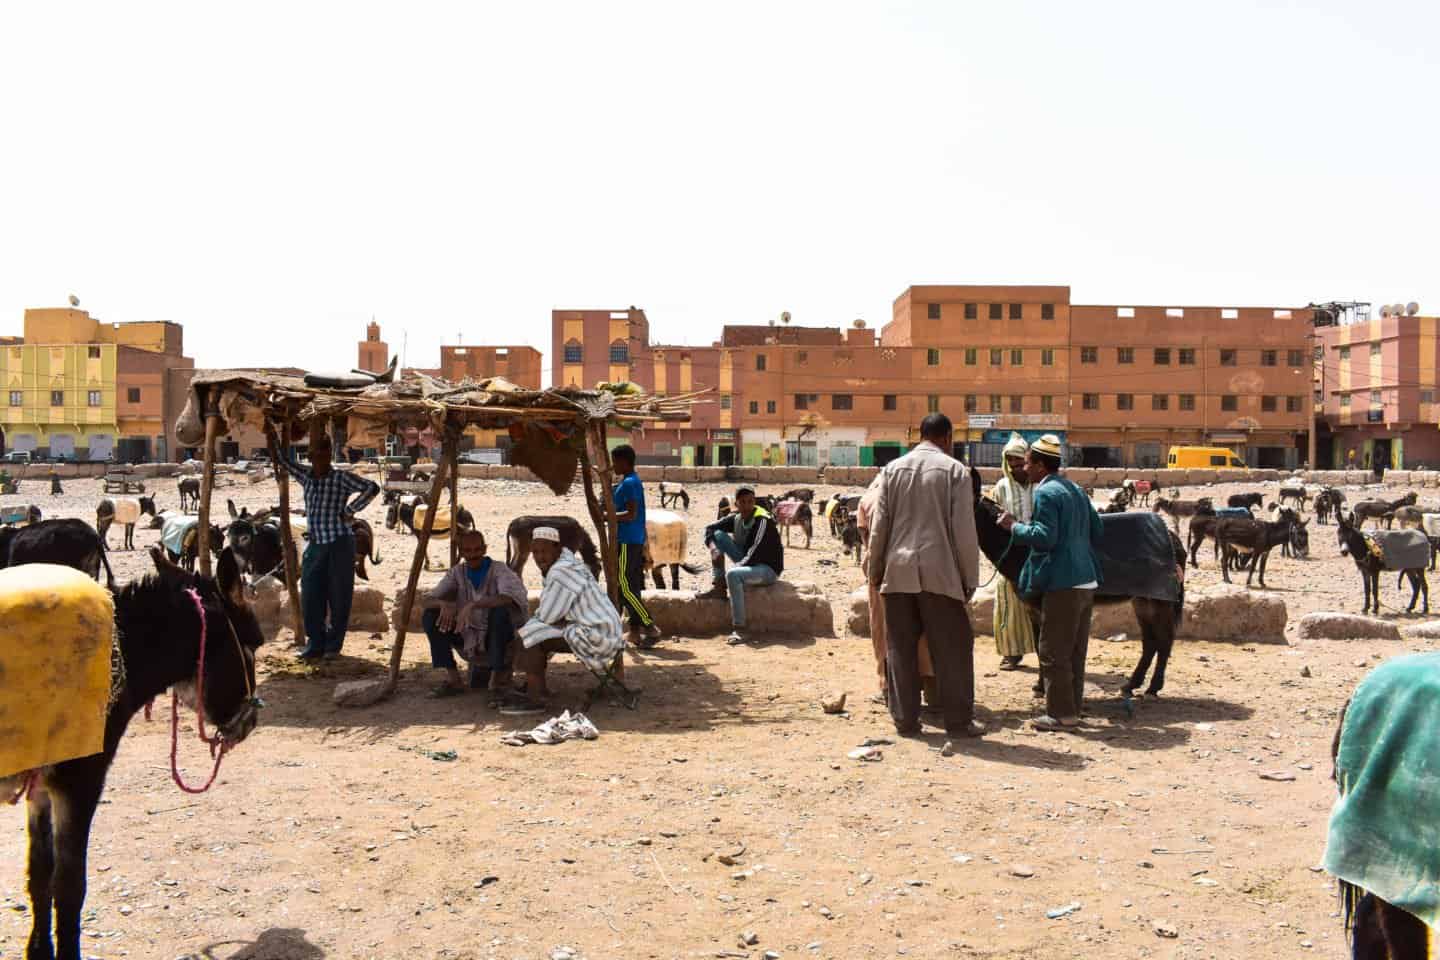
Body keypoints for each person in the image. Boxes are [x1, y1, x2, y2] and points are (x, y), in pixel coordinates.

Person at [867, 412, 984, 741]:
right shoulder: (955, 471)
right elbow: (963, 531)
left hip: (898, 571)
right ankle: (958, 723)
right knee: (953, 649)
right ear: (947, 438)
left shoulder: (892, 470)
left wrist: (876, 571)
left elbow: (880, 529)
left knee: (900, 648)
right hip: (940, 573)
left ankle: (905, 721)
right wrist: (969, 579)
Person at [998, 434, 1103, 731]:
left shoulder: (1045, 493)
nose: (1024, 467)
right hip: (1086, 580)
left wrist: (1014, 527)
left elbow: (1045, 539)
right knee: (1075, 652)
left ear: (1041, 466)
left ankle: (1061, 715)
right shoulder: (1076, 490)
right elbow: (1098, 529)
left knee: (1053, 651)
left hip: (1062, 583)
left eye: (1028, 462)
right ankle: (1073, 708)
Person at [268, 425, 381, 661]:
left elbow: (372, 487)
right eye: (317, 454)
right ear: (310, 457)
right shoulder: (305, 476)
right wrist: (273, 435)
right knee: (310, 594)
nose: (322, 459)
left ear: (330, 454)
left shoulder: (340, 478)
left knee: (339, 596)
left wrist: (350, 510)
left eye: (326, 453)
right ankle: (315, 643)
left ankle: (333, 646)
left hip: (340, 543)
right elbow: (282, 460)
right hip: (317, 544)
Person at [514, 527, 624, 708]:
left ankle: (536, 696)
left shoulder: (560, 572)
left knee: (527, 638)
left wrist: (530, 626)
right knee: (533, 630)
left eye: (544, 551)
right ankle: (538, 689)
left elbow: (548, 615)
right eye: (535, 552)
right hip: (608, 631)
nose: (539, 557)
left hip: (597, 635)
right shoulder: (571, 563)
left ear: (557, 549)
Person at [420, 529, 529, 702]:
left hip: (498, 636)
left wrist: (474, 604)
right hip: (468, 635)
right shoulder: (457, 573)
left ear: (484, 549)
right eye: (468, 551)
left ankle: (496, 683)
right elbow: (427, 601)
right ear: (461, 552)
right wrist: (443, 604)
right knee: (430, 615)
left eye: (477, 550)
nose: (473, 555)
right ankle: (454, 680)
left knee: (500, 612)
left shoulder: (500, 570)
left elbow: (509, 597)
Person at [856, 474, 936, 704]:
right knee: (924, 629)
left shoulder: (869, 498)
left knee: (884, 629)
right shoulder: (920, 496)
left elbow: (866, 538)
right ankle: (931, 688)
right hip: (921, 569)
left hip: (883, 573)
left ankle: (890, 688)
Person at [700, 486, 784, 645]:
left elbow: (754, 551)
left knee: (733, 575)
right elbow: (709, 528)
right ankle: (719, 587)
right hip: (748, 561)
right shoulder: (737, 518)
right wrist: (713, 549)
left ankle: (740, 628)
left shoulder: (762, 521)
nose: (747, 506)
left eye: (750, 502)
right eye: (742, 502)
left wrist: (736, 568)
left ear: (754, 502)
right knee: (718, 536)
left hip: (766, 569)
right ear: (736, 504)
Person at [992, 433, 1039, 671]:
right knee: (1009, 600)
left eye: (1020, 463)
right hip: (1011, 553)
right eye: (1010, 464)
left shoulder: (1040, 484)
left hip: (1038, 550)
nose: (1015, 468)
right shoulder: (1001, 487)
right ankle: (1012, 652)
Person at [610, 444, 662, 647]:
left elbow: (631, 514)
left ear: (624, 461)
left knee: (624, 586)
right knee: (631, 586)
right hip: (632, 540)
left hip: (627, 541)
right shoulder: (630, 481)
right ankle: (634, 631)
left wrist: (607, 516)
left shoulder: (630, 483)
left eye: (614, 461)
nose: (613, 465)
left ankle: (650, 626)